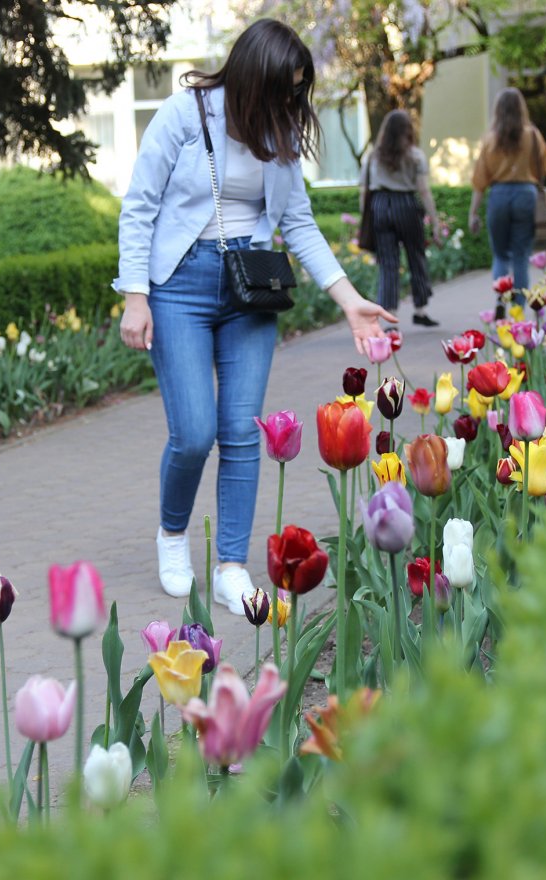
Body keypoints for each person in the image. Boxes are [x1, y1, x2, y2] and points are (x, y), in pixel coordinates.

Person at [114, 19, 395, 613]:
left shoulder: (281, 129)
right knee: (193, 433)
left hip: (251, 288)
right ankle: (171, 536)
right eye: (281, 89)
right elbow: (138, 206)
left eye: (296, 91)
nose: (290, 102)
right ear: (249, 77)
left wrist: (350, 302)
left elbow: (298, 221)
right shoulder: (184, 116)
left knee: (243, 432)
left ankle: (231, 567)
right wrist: (135, 295)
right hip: (179, 286)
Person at [468, 87, 546, 306]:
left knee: (500, 255)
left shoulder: (490, 140)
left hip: (498, 195)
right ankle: (519, 308)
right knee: (520, 257)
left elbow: (479, 181)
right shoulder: (532, 135)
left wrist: (473, 213)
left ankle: (501, 300)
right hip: (526, 194)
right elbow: (545, 165)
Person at [359, 109, 444, 326]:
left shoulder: (372, 156)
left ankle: (389, 315)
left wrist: (364, 217)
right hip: (406, 205)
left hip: (379, 206)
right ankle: (421, 309)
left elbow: (363, 190)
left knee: (388, 262)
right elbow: (424, 190)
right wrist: (434, 221)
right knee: (416, 255)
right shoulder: (415, 155)